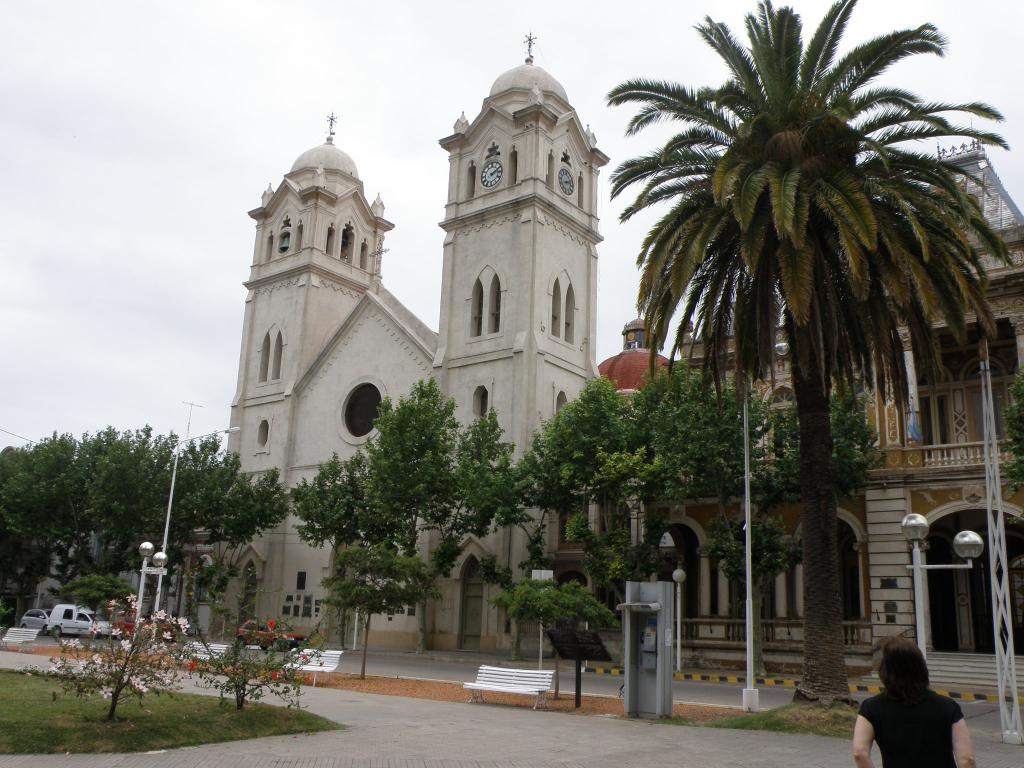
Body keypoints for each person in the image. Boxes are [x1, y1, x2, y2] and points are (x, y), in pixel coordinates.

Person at [852, 636, 975, 767]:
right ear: (921, 668)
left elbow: (860, 753)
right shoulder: (947, 706)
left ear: (885, 671)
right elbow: (966, 759)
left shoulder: (871, 707)